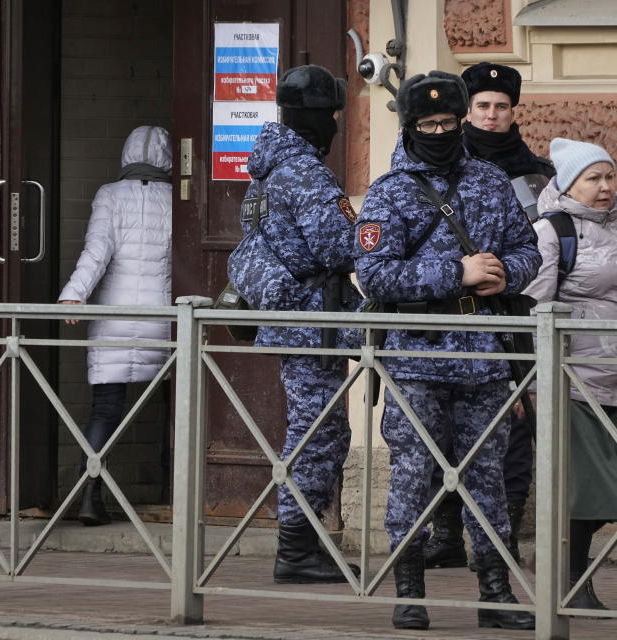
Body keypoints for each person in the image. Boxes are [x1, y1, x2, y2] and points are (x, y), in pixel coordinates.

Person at [355, 70, 540, 631]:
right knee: (414, 473)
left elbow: (528, 251)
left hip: (484, 354)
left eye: (447, 123)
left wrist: (505, 275)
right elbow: (375, 274)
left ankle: (496, 591)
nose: (439, 132)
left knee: (487, 476)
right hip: (418, 357)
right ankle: (409, 590)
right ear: (410, 126)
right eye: (427, 124)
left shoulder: (489, 180)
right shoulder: (391, 191)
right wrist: (455, 272)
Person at [227, 64, 363, 584]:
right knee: (317, 432)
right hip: (312, 321)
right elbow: (336, 245)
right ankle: (297, 549)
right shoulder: (304, 172)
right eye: (331, 114)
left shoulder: (267, 170)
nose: (335, 122)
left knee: (318, 429)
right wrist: (377, 235)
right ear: (316, 118)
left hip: (295, 320)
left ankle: (303, 545)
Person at [521, 137, 617, 609]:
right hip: (572, 377)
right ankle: (569, 583)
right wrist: (534, 381)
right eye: (593, 179)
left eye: (609, 177)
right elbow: (533, 308)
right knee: (586, 487)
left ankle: (566, 575)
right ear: (569, 184)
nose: (605, 187)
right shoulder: (552, 232)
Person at [423, 61, 553, 571]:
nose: (492, 115)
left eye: (502, 107)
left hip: (514, 314)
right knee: (444, 428)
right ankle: (447, 534)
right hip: (448, 312)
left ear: (514, 111)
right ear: (466, 112)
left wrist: (512, 276)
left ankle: (501, 541)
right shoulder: (436, 165)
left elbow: (542, 246)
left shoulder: (540, 174)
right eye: (482, 107)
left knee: (513, 428)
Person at [58, 125, 173, 526]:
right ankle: (174, 489)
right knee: (175, 404)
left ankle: (89, 493)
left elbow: (97, 250)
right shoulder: (178, 199)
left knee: (107, 408)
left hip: (112, 320)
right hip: (163, 320)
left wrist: (75, 293)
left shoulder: (109, 195)